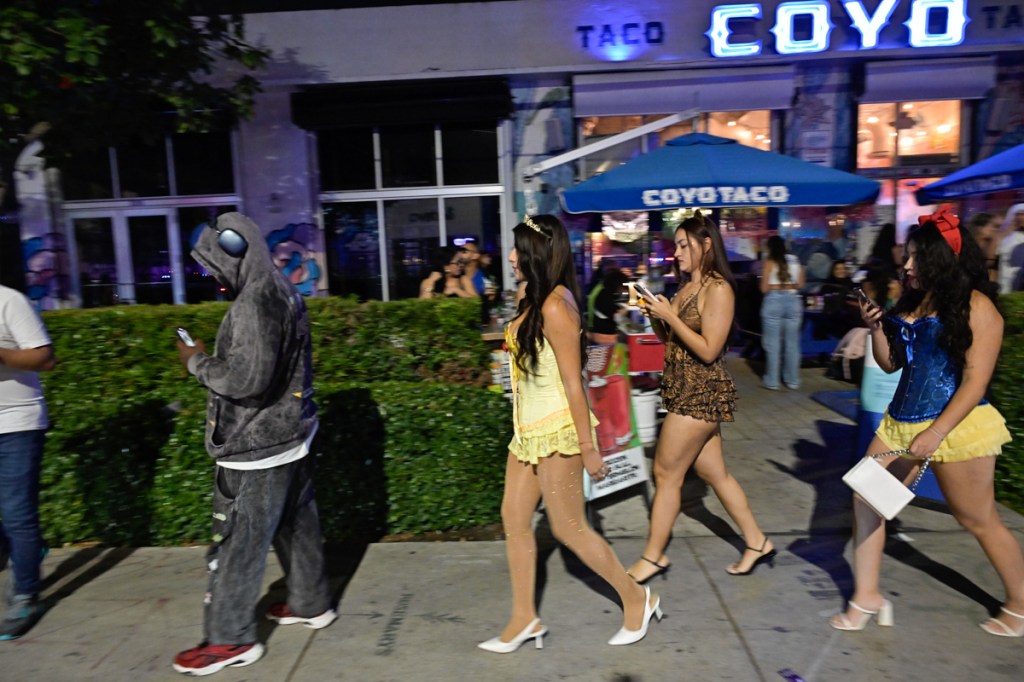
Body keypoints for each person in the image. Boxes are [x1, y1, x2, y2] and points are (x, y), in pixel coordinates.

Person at [830, 206, 1021, 637]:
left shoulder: (978, 307)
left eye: (917, 257)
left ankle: (1021, 602)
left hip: (958, 426)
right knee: (867, 501)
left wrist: (935, 434)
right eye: (908, 256)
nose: (908, 265)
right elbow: (891, 364)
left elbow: (975, 382)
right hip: (899, 422)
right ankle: (867, 597)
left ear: (942, 261)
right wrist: (877, 329)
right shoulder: (913, 301)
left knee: (976, 518)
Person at [479, 214, 660, 653]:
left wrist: (587, 446)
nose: (510, 257)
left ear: (537, 254)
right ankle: (525, 618)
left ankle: (637, 596)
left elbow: (574, 381)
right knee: (514, 519)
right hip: (527, 430)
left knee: (568, 528)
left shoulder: (557, 306)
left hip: (559, 428)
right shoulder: (529, 296)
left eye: (518, 249)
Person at [173, 213, 335, 676]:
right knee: (297, 526)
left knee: (236, 545)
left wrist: (196, 361)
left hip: (255, 447)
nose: (212, 274)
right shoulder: (282, 289)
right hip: (291, 436)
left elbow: (246, 379)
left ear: (232, 249)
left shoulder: (253, 303)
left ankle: (229, 639)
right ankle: (310, 602)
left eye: (211, 263)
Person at [627, 212, 774, 582]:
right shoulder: (686, 288)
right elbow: (670, 340)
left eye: (682, 245)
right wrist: (656, 316)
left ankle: (653, 556)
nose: (675, 253)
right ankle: (757, 541)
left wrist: (671, 317)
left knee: (665, 473)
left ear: (706, 245)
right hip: (681, 388)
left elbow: (710, 350)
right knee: (716, 474)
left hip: (700, 392)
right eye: (675, 246)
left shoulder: (718, 288)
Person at [0, 285, 56, 641]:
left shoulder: (8, 300)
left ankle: (26, 593)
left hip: (14, 422)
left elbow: (44, 358)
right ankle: (26, 552)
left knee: (17, 512)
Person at [759, 235, 805, 391]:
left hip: (773, 303)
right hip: (793, 303)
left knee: (773, 344)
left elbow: (764, 288)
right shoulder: (795, 260)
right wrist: (787, 286)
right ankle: (792, 381)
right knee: (792, 344)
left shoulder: (769, 261)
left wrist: (776, 287)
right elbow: (801, 284)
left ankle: (772, 381)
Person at [588, 267, 629, 344]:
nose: (624, 290)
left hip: (600, 333)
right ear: (618, 284)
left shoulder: (603, 292)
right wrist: (627, 308)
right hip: (604, 337)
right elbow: (617, 316)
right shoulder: (606, 296)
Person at [996, 203, 1024, 293]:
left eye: (1023, 214)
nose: (1020, 218)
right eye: (1017, 214)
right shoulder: (1007, 236)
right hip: (1004, 282)